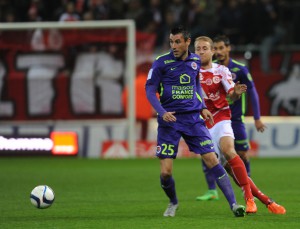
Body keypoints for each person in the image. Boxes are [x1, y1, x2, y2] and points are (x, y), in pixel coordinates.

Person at [145, 26, 246, 218]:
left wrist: (202, 107)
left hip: (192, 118)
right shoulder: (160, 63)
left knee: (212, 159)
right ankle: (173, 202)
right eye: (171, 42)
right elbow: (150, 90)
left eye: (177, 42)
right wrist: (162, 111)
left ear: (187, 42)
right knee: (166, 173)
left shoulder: (194, 61)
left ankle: (234, 205)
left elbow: (195, 85)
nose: (173, 46)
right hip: (170, 120)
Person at [194, 36, 286, 215]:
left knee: (230, 151)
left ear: (212, 51)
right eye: (198, 49)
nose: (201, 52)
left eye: (205, 48)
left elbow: (231, 96)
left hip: (221, 117)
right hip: (200, 124)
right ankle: (266, 200)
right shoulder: (190, 71)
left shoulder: (222, 70)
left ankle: (249, 199)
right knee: (226, 168)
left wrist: (235, 93)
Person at [197, 34, 266, 202]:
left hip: (230, 117)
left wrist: (256, 117)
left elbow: (251, 93)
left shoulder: (236, 69)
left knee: (238, 153)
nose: (219, 51)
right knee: (211, 158)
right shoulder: (192, 70)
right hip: (204, 120)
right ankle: (214, 189)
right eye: (197, 49)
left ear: (227, 48)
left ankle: (247, 189)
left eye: (221, 48)